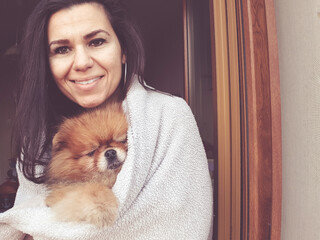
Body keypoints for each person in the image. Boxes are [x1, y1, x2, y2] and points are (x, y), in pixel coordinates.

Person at [0, 0, 213, 239]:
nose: (82, 62)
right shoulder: (37, 138)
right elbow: (28, 219)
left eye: (97, 41)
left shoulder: (168, 116)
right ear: (48, 64)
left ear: (123, 50)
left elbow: (180, 223)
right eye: (62, 49)